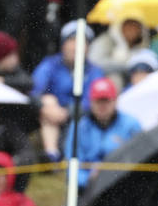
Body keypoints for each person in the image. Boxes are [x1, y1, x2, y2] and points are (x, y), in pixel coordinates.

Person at [32, 21, 106, 162]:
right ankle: (51, 153)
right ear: (63, 44)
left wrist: (67, 113)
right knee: (48, 101)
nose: (75, 47)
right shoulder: (50, 64)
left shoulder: (95, 71)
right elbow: (35, 91)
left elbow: (92, 101)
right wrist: (46, 108)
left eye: (82, 42)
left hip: (79, 117)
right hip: (50, 116)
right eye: (71, 41)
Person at [64, 76, 142, 192]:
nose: (102, 106)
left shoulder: (131, 125)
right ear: (91, 102)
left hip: (123, 186)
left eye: (106, 100)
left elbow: (140, 159)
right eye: (98, 101)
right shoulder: (78, 127)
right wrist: (89, 179)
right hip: (88, 189)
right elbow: (72, 164)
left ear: (115, 101)